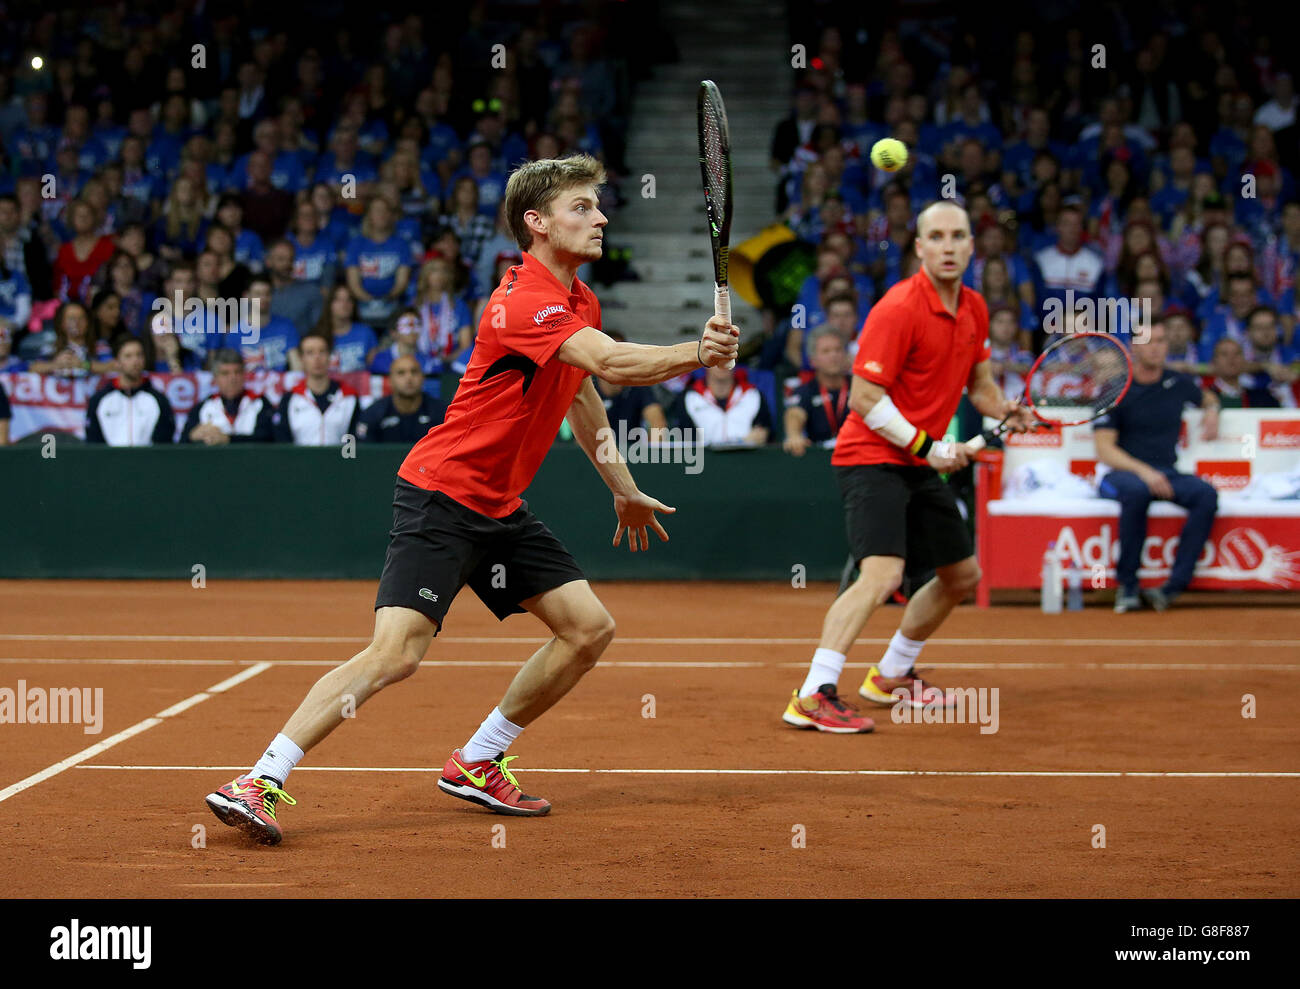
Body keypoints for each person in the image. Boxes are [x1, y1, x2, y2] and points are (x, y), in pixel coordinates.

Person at [204, 154, 739, 842]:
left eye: (598, 205)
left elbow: (582, 395)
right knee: (396, 653)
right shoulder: (523, 300)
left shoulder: (580, 301)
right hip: (442, 496)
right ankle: (261, 776)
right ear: (536, 222)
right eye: (582, 206)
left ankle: (479, 758)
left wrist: (624, 488)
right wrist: (696, 351)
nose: (601, 216)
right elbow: (610, 362)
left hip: (501, 507)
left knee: (589, 628)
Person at [783, 200, 1032, 733]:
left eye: (957, 236)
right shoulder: (898, 308)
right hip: (871, 457)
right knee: (883, 572)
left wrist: (1006, 410)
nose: (948, 246)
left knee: (961, 574)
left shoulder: (975, 308)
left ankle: (891, 674)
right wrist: (929, 446)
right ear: (920, 247)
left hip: (918, 460)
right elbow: (865, 398)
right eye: (936, 237)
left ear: (971, 246)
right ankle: (811, 694)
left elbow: (980, 385)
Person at [1095, 320, 1221, 612]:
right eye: (1149, 341)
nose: (1157, 348)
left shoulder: (1177, 383)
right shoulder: (1116, 389)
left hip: (1166, 472)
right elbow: (1104, 450)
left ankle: (1171, 588)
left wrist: (1212, 410)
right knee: (1138, 493)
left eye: (1162, 341)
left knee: (1206, 495)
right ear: (1133, 348)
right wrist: (1144, 471)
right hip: (1119, 475)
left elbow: (1207, 396)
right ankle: (1127, 586)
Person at [84, 335, 176, 445]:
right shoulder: (99, 400)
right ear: (117, 362)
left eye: (139, 355)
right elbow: (94, 443)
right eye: (128, 356)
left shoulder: (159, 400)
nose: (135, 361)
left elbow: (164, 443)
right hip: (108, 461)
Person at [273, 332, 360, 446]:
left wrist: (346, 463)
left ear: (330, 357)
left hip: (340, 463)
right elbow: (283, 444)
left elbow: (354, 444)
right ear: (301, 359)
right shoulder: (289, 399)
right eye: (310, 353)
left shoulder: (348, 397)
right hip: (300, 463)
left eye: (322, 352)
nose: (317, 358)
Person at [182, 349, 275, 444]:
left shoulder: (259, 403)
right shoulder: (203, 407)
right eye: (225, 373)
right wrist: (192, 436)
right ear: (215, 378)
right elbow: (181, 445)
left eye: (237, 372)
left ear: (244, 375)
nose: (232, 378)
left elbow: (267, 439)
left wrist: (228, 439)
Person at [783, 327, 851, 455]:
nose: (833, 355)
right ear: (812, 360)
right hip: (819, 459)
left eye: (838, 350)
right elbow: (794, 414)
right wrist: (794, 435)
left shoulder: (858, 385)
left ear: (846, 355)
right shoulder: (805, 390)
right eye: (826, 351)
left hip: (858, 457)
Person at [357, 353, 447, 444]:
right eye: (401, 373)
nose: (409, 378)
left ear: (423, 378)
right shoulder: (373, 414)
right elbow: (364, 454)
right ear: (390, 381)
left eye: (414, 372)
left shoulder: (442, 413)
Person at [678, 363, 772, 446]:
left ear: (735, 361)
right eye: (715, 359)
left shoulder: (753, 395)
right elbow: (685, 440)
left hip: (745, 460)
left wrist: (762, 435)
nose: (722, 364)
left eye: (727, 359)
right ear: (705, 362)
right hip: (706, 462)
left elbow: (767, 432)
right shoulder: (689, 397)